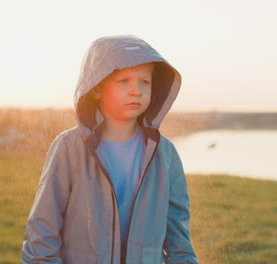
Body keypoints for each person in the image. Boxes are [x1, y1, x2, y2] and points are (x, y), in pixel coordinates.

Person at [21, 35, 198, 264]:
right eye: (124, 81)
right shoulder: (68, 149)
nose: (136, 90)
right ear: (96, 88)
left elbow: (180, 245)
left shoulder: (165, 154)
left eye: (145, 81)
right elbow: (42, 235)